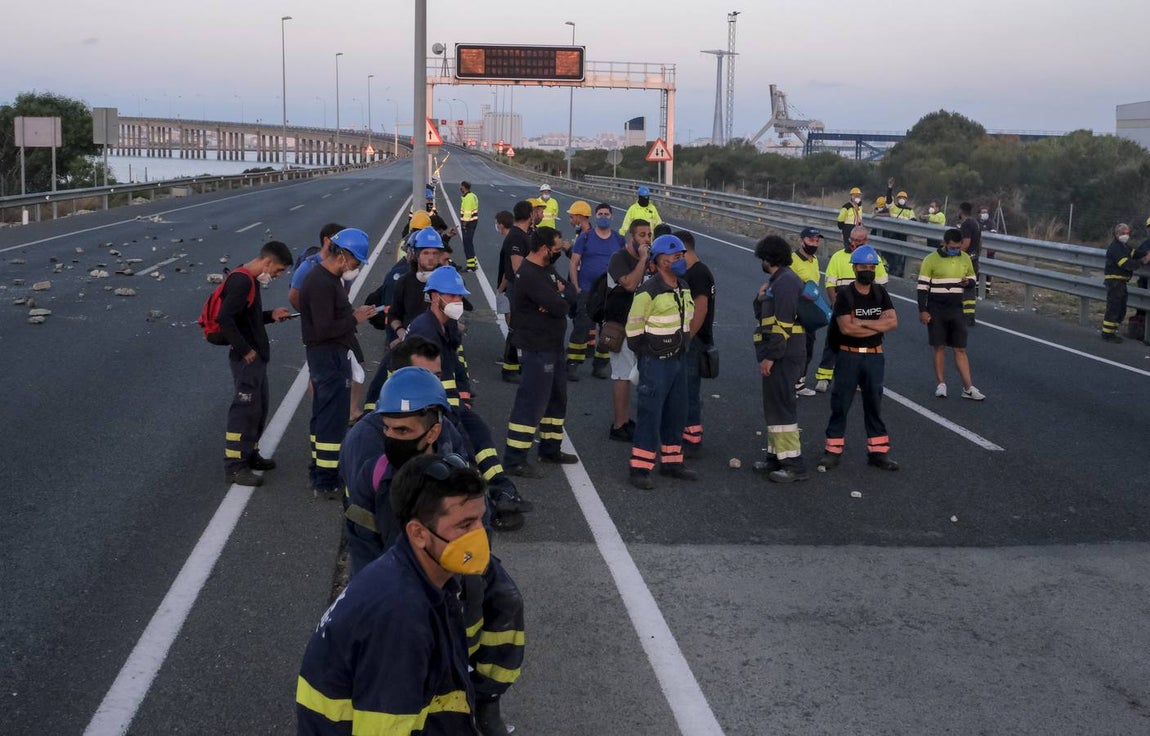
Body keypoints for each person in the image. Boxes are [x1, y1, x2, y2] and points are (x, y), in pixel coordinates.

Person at [296, 452, 487, 736]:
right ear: (418, 533)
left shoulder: (418, 575)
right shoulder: (401, 615)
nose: (480, 534)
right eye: (465, 525)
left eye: (481, 519)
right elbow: (383, 729)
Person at [299, 227, 378, 499]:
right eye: (356, 261)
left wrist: (353, 315)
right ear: (343, 256)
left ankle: (319, 469)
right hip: (328, 355)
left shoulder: (327, 279)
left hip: (330, 354)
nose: (356, 267)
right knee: (332, 419)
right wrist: (354, 319)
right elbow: (323, 328)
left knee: (323, 414)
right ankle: (326, 479)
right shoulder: (321, 282)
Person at [818, 245, 900, 472]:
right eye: (863, 266)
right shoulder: (845, 294)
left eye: (872, 267)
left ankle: (878, 453)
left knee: (874, 405)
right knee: (840, 405)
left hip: (874, 359)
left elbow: (893, 322)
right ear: (854, 268)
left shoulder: (880, 293)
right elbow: (846, 329)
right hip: (848, 357)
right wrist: (877, 325)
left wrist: (863, 323)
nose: (868, 270)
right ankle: (832, 452)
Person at [218, 241, 293, 487]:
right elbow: (225, 319)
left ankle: (250, 454)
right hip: (247, 358)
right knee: (244, 411)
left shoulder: (250, 282)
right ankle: (235, 466)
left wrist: (270, 316)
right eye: (278, 270)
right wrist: (245, 350)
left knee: (258, 409)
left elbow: (247, 319)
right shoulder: (241, 282)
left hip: (255, 357)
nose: (277, 275)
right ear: (267, 262)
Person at [503, 226, 577, 477]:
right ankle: (515, 459)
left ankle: (550, 448)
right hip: (536, 347)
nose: (559, 253)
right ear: (545, 249)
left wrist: (559, 297)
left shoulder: (547, 269)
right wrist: (557, 299)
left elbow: (570, 294)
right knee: (531, 402)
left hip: (553, 346)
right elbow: (559, 306)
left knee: (557, 399)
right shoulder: (531, 274)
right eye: (557, 249)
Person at [625, 234, 696, 490]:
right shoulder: (648, 291)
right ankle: (640, 468)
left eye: (682, 256)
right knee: (650, 414)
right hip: (655, 363)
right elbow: (633, 331)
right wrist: (648, 354)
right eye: (676, 257)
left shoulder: (684, 287)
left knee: (677, 412)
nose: (681, 260)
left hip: (677, 360)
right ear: (662, 261)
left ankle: (672, 461)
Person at [751, 235, 809, 483]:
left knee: (783, 406)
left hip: (784, 354)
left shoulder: (785, 282)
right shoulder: (777, 281)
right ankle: (776, 457)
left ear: (768, 258)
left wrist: (770, 358)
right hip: (779, 353)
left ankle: (794, 465)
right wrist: (760, 297)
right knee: (773, 406)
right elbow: (764, 315)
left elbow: (782, 325)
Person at [814, 226, 889, 393]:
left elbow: (882, 285)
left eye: (858, 241)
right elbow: (830, 283)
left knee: (862, 345)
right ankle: (824, 377)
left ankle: (857, 378)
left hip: (865, 311)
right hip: (843, 309)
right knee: (833, 342)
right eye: (852, 240)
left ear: (866, 241)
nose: (854, 244)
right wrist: (835, 305)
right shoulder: (839, 257)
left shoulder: (873, 258)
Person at [917, 228, 986, 400]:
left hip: (956, 308)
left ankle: (968, 388)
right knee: (939, 346)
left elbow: (973, 279)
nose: (956, 250)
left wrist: (968, 282)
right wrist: (923, 310)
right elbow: (922, 288)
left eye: (958, 246)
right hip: (936, 308)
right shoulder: (930, 260)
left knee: (960, 348)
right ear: (945, 244)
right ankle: (941, 384)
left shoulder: (964, 258)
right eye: (952, 247)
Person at [604, 219, 653, 441]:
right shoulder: (619, 259)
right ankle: (619, 424)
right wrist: (642, 260)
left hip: (642, 327)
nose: (646, 239)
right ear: (631, 237)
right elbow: (631, 285)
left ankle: (628, 419)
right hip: (621, 326)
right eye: (641, 235)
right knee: (622, 375)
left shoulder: (649, 260)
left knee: (638, 374)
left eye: (649, 235)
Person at [567, 202, 625, 380]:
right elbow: (574, 263)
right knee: (582, 327)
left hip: (610, 292)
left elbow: (624, 264)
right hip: (587, 290)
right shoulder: (585, 237)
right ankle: (572, 364)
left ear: (612, 217)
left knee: (608, 330)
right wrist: (576, 286)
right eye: (600, 214)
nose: (603, 217)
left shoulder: (618, 240)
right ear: (595, 216)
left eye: (606, 214)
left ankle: (600, 365)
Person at [678, 230, 714, 457]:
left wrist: (687, 338)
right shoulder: (694, 271)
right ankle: (686, 432)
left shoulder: (699, 274)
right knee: (684, 389)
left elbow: (701, 309)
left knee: (690, 390)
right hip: (693, 340)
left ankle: (692, 440)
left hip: (695, 341)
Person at [389, 228, 448, 344]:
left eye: (435, 253)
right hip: (410, 343)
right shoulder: (404, 282)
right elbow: (393, 314)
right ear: (416, 255)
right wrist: (400, 331)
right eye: (426, 253)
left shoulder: (447, 282)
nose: (431, 258)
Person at [497, 201, 532, 383]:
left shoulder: (522, 235)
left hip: (519, 288)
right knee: (515, 328)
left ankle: (519, 364)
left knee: (521, 328)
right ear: (530, 215)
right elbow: (517, 267)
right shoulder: (517, 237)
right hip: (518, 289)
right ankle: (509, 369)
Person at [1101, 222, 1150, 342]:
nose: (1126, 235)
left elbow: (1134, 253)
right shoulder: (1115, 248)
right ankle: (1107, 333)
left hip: (1121, 282)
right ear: (1117, 234)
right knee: (1114, 308)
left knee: (1121, 308)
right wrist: (1143, 261)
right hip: (1114, 281)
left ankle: (1113, 331)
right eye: (1123, 233)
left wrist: (1145, 253)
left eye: (1127, 233)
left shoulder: (1124, 246)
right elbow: (1126, 264)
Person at [790, 227, 823, 397]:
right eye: (811, 240)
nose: (814, 243)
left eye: (817, 240)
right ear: (801, 240)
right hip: (795, 309)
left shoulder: (815, 260)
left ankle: (799, 383)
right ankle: (789, 383)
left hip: (810, 309)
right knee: (795, 348)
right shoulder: (792, 259)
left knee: (808, 346)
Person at [956, 202, 982, 325]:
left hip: (966, 261)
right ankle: (970, 316)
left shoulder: (966, 224)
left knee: (962, 287)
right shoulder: (975, 223)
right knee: (970, 288)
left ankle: (964, 316)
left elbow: (965, 244)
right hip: (974, 259)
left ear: (961, 211)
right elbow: (979, 243)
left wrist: (954, 254)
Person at [884, 179, 916, 278]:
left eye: (903, 198)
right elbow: (888, 200)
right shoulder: (893, 207)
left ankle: (898, 271)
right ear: (897, 199)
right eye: (900, 197)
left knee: (899, 257)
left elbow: (914, 221)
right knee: (889, 253)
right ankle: (893, 269)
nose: (902, 199)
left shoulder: (910, 210)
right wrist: (890, 188)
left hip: (903, 236)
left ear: (906, 200)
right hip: (892, 235)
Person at [458, 180, 479, 271]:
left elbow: (467, 213)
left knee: (467, 244)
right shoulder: (473, 196)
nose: (460, 188)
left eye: (461, 187)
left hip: (468, 223)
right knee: (469, 243)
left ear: (464, 187)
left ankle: (471, 266)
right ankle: (474, 262)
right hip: (473, 222)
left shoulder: (468, 198)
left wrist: (464, 224)